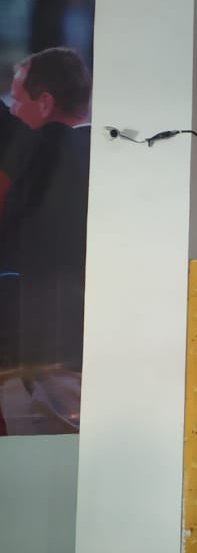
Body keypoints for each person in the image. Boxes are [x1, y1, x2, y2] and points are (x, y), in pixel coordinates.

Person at [0, 46, 91, 434]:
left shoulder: (30, 157)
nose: (13, 111)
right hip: (77, 353)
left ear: (45, 103)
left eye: (17, 101)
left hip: (38, 361)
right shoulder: (105, 157)